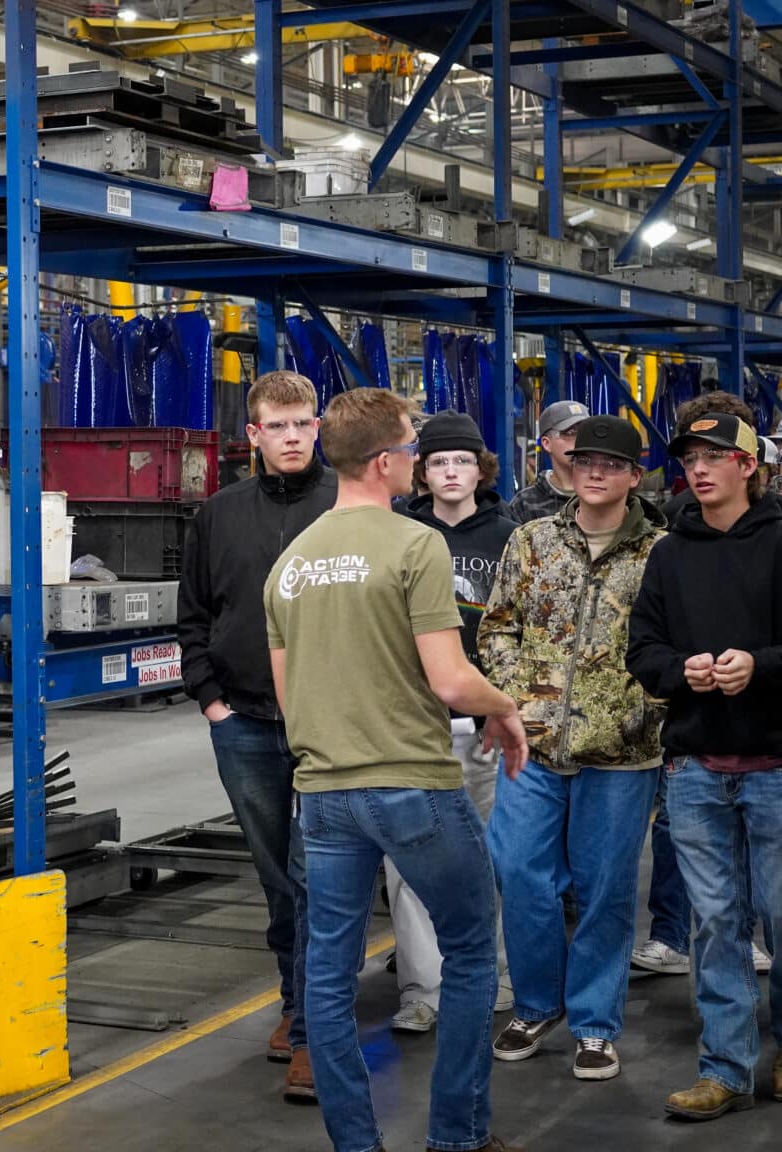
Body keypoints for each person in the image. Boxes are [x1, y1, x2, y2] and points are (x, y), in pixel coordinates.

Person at [265, 387, 528, 1152]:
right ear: (384, 462)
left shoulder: (292, 561)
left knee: (328, 971)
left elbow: (289, 700)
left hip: (324, 796)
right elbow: (450, 681)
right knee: (474, 952)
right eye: (412, 448)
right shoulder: (418, 547)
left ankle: (357, 1143)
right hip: (412, 782)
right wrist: (504, 706)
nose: (417, 460)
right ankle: (458, 1138)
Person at [478, 415, 664, 1082]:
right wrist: (513, 703)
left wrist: (648, 710)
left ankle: (593, 1022)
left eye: (610, 465)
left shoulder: (660, 551)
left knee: (605, 890)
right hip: (535, 744)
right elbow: (498, 627)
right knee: (520, 872)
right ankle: (534, 1005)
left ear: (633, 476)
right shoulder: (532, 541)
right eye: (585, 460)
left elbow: (672, 644)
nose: (594, 472)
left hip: (621, 753)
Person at [177, 369, 336, 1097]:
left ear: (320, 426)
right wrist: (212, 700)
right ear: (254, 435)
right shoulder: (218, 514)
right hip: (242, 720)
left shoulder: (345, 505)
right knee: (278, 880)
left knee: (314, 877)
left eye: (304, 422)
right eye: (279, 425)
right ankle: (294, 997)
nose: (294, 436)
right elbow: (194, 618)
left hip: (330, 722)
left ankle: (310, 1033)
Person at [627, 411, 782, 1121]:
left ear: (748, 466)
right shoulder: (670, 553)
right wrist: (679, 672)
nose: (700, 467)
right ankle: (725, 1067)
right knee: (716, 923)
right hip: (694, 768)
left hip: (776, 765)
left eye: (716, 455)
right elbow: (643, 651)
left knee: (781, 916)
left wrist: (761, 665)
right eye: (691, 455)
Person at [387, 411, 518, 1033]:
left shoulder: (511, 536)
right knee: (414, 863)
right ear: (422, 471)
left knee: (493, 858)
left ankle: (491, 974)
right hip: (415, 725)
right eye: (438, 461)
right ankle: (422, 989)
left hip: (487, 727)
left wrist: (506, 706)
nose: (450, 472)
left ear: (480, 468)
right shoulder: (400, 535)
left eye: (461, 461)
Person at [506, 399, 590, 523]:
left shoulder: (601, 493)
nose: (580, 441)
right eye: (570, 433)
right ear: (546, 443)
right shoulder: (525, 504)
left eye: (585, 432)